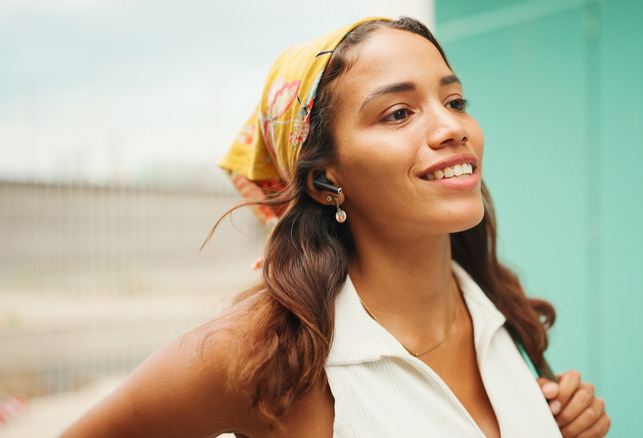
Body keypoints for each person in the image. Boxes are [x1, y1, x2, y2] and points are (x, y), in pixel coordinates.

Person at [62, 16, 610, 438]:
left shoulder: (497, 307)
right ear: (327, 180)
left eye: (454, 100)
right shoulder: (269, 352)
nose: (452, 127)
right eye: (398, 113)